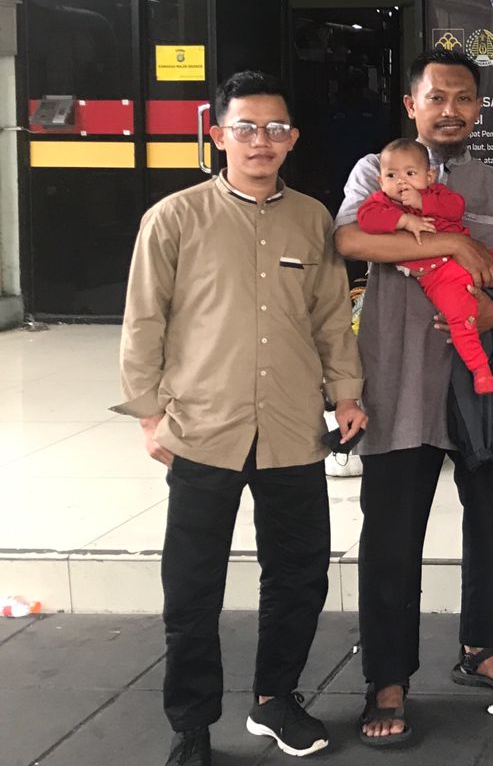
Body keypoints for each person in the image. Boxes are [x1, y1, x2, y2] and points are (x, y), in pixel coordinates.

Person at [117, 71, 366, 766]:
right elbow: (143, 322)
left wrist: (347, 393)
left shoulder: (312, 219)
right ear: (219, 135)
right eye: (246, 128)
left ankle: (275, 699)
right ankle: (192, 725)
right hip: (203, 428)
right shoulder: (174, 218)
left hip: (292, 429)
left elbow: (331, 318)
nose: (262, 141)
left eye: (275, 129)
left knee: (300, 574)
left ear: (292, 139)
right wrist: (147, 415)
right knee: (192, 587)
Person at [334, 48, 493, 747]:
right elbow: (351, 239)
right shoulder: (377, 172)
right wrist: (458, 248)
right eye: (436, 97)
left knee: (489, 521)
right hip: (397, 384)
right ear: (412, 105)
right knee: (390, 536)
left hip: (481, 393)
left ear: (479, 108)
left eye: (464, 98)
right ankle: (388, 677)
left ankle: (484, 647)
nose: (451, 110)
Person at [355, 137, 493, 395]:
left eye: (410, 173)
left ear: (429, 176)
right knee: (461, 320)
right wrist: (403, 220)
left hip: (480, 262)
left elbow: (456, 208)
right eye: (392, 175)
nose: (402, 181)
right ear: (380, 181)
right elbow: (366, 221)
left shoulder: (438, 194)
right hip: (439, 277)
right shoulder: (381, 202)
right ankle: (480, 370)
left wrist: (422, 203)